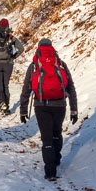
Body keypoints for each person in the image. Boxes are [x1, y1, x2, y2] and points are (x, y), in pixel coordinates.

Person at [19, 38, 78, 181]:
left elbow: (26, 89)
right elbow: (70, 87)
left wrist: (23, 110)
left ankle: (50, 172)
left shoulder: (34, 66)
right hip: (60, 105)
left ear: (38, 49)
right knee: (57, 133)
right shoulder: (60, 64)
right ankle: (56, 159)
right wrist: (73, 109)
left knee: (46, 138)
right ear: (52, 49)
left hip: (41, 106)